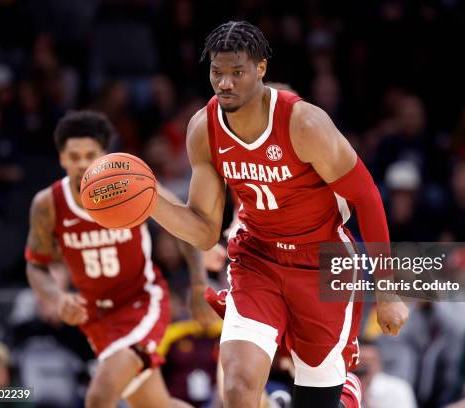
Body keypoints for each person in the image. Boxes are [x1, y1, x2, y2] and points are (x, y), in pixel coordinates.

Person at [142, 21, 409, 408]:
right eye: (218, 72)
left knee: (316, 398)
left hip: (321, 260)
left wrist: (386, 288)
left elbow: (366, 197)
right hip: (257, 257)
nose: (226, 83)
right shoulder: (204, 129)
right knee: (236, 387)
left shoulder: (305, 123)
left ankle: (341, 394)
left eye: (238, 72)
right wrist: (151, 202)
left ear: (261, 69)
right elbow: (203, 231)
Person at [24, 110, 204, 408]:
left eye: (90, 154)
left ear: (103, 154)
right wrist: (56, 297)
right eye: (74, 155)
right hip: (96, 316)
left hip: (142, 302)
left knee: (98, 398)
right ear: (61, 158)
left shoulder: (130, 185)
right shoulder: (48, 204)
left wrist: (198, 286)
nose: (82, 163)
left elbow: (185, 227)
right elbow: (36, 264)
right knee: (156, 404)